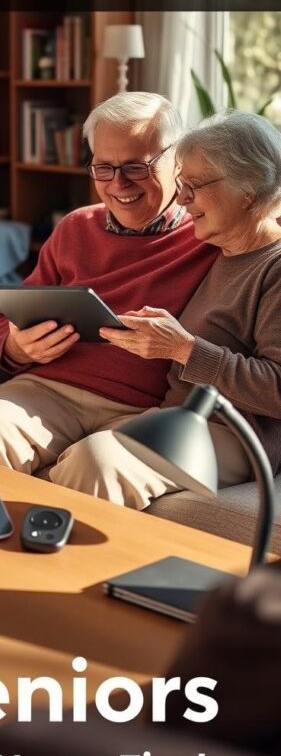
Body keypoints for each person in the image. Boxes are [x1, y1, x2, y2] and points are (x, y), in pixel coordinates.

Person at [0, 92, 218, 504]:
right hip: (49, 390)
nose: (119, 184)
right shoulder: (75, 227)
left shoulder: (208, 234)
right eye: (104, 167)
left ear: (178, 159)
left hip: (145, 406)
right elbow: (9, 316)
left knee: (96, 463)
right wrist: (16, 344)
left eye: (137, 166)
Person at [88, 109, 281, 505]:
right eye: (180, 184)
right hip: (181, 420)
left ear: (249, 189)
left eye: (193, 185)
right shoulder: (216, 251)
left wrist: (184, 349)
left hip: (238, 435)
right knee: (82, 454)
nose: (181, 198)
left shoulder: (273, 267)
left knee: (98, 461)